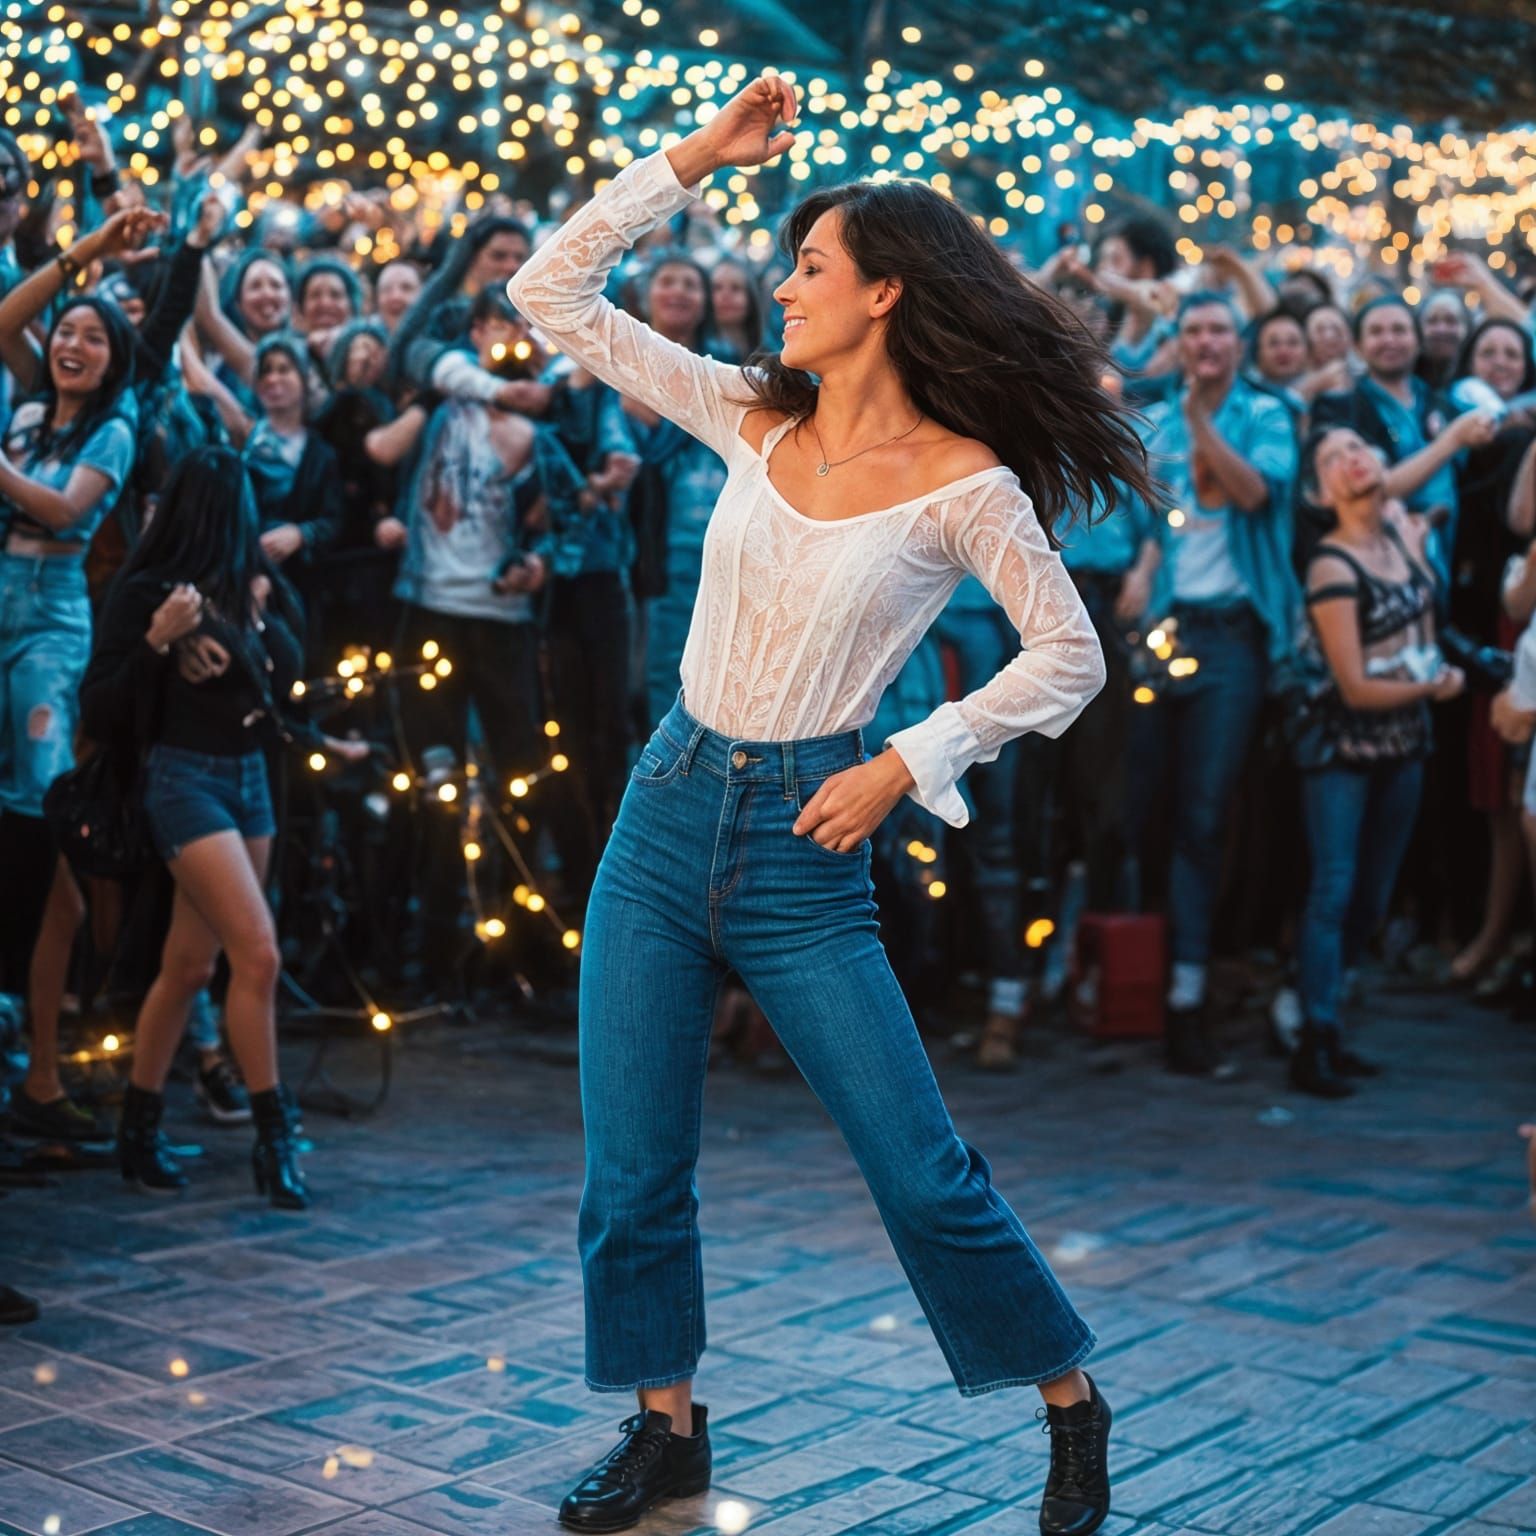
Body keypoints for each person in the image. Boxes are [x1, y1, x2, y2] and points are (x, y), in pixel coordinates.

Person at [508, 70, 1157, 1536]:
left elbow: (1072, 655)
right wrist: (698, 156)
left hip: (812, 839)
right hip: (666, 812)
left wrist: (906, 763)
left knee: (920, 1171)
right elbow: (555, 292)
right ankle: (664, 1433)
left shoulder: (962, 480)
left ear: (885, 295)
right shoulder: (751, 409)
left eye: (808, 266)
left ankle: (1067, 1398)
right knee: (631, 1166)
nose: (777, 284)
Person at [79, 446, 363, 1206]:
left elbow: (278, 694)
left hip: (250, 783)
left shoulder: (250, 590)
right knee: (259, 954)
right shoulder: (147, 593)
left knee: (190, 967)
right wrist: (157, 640)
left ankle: (136, 1132)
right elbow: (99, 707)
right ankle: (274, 1137)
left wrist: (271, 625)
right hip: (186, 782)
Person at [0, 207, 154, 1137]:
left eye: (95, 336)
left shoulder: (117, 430)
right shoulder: (22, 404)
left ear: (114, 361)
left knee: (45, 826)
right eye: (64, 330)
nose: (72, 343)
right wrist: (88, 255)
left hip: (50, 626)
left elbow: (62, 511)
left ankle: (46, 1065)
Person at [1124, 292, 1300, 1077]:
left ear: (1238, 343)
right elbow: (1158, 516)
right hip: (1169, 633)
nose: (1204, 341)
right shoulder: (1154, 418)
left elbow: (1257, 492)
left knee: (1206, 813)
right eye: (1192, 330)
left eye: (1218, 331)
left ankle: (1189, 996)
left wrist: (1198, 418)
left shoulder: (1264, 413)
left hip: (1234, 638)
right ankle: (1153, 978)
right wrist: (1144, 564)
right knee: (1147, 808)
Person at [1291, 426, 1472, 1096]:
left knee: (1369, 898)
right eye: (1332, 458)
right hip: (1344, 746)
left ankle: (1328, 1012)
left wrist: (1419, 545)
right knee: (1334, 890)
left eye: (1358, 447)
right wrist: (1432, 687)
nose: (1351, 459)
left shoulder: (1401, 539)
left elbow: (1426, 629)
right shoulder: (1332, 565)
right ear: (1319, 490)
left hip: (1406, 744)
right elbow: (1357, 687)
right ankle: (1314, 1038)